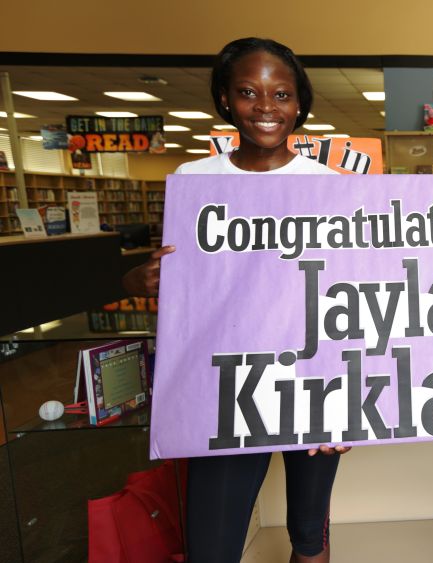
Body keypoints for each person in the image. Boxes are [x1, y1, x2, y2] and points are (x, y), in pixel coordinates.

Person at [122, 37, 348, 563]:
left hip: (313, 379)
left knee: (309, 533)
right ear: (225, 99)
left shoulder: (329, 186)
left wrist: (351, 401)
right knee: (211, 546)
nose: (267, 107)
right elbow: (164, 279)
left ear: (299, 102)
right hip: (223, 385)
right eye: (249, 92)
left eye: (282, 94)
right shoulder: (193, 182)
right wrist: (141, 278)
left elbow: (352, 294)